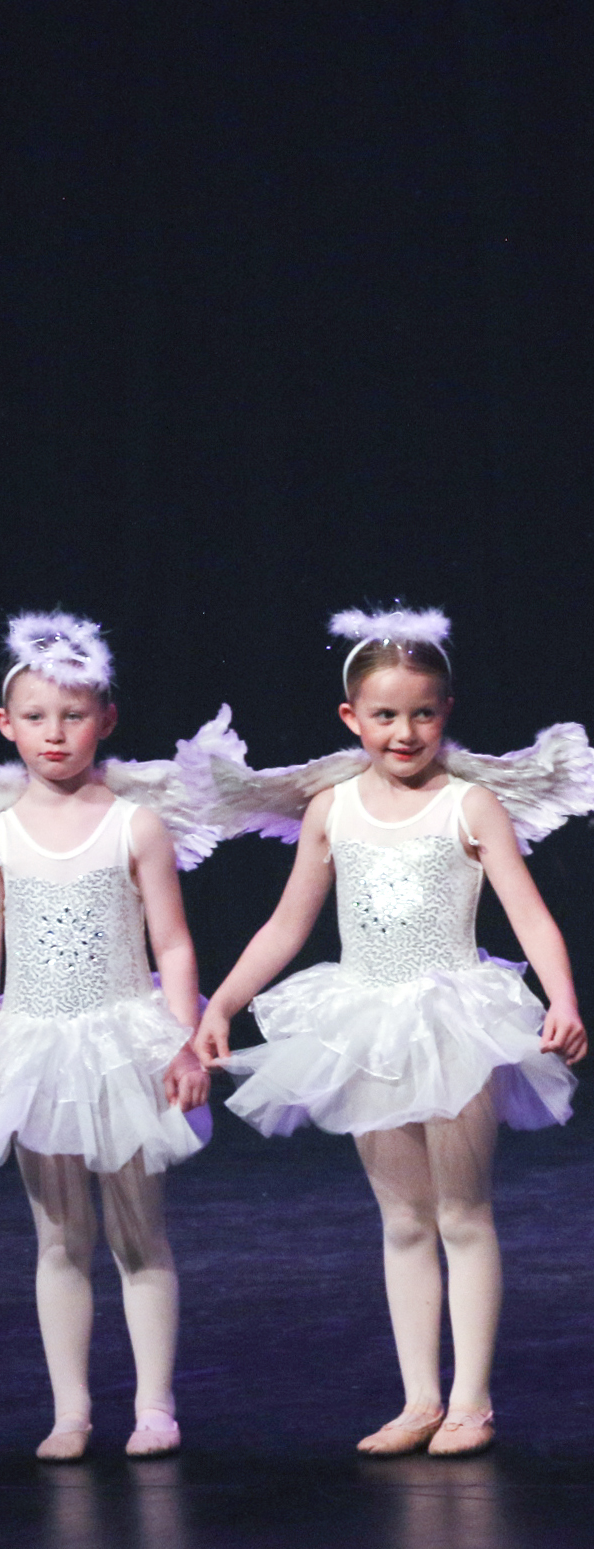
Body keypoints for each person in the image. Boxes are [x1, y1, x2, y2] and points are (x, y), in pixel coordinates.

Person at [195, 609, 590, 1457]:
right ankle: (419, 1399)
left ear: (446, 712)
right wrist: (221, 1002)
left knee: (462, 1211)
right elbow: (287, 923)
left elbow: (530, 913)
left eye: (422, 713)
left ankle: (471, 1401)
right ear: (351, 717)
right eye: (384, 714)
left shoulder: (469, 804)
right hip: (367, 1019)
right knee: (404, 1217)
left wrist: (562, 997)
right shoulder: (332, 809)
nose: (404, 731)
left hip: (453, 1020)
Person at [0, 613, 229, 1461]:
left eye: (73, 715)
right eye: (35, 716)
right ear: (6, 724)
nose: (54, 733)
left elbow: (172, 943)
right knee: (59, 1237)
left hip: (124, 1041)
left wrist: (178, 1040)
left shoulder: (135, 825)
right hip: (36, 1046)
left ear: (106, 719)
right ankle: (70, 1411)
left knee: (139, 1231)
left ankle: (155, 1407)